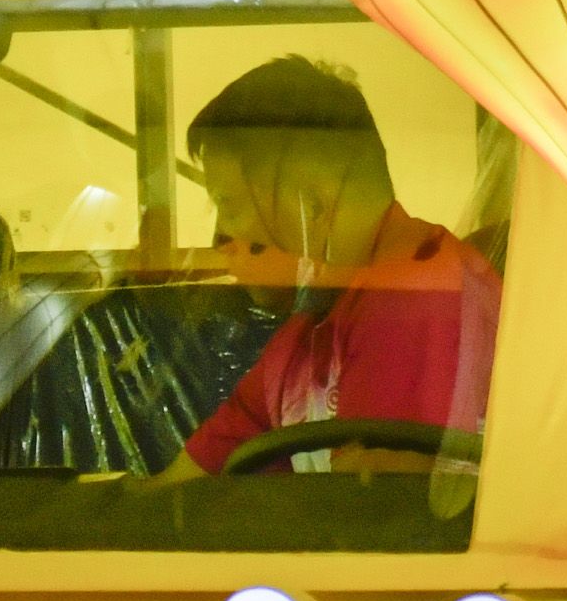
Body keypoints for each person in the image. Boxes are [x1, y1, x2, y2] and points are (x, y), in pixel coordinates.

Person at [175, 58, 501, 474]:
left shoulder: (414, 300)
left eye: (230, 205)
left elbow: (370, 505)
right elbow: (195, 474)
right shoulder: (311, 329)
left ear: (309, 206)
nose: (222, 236)